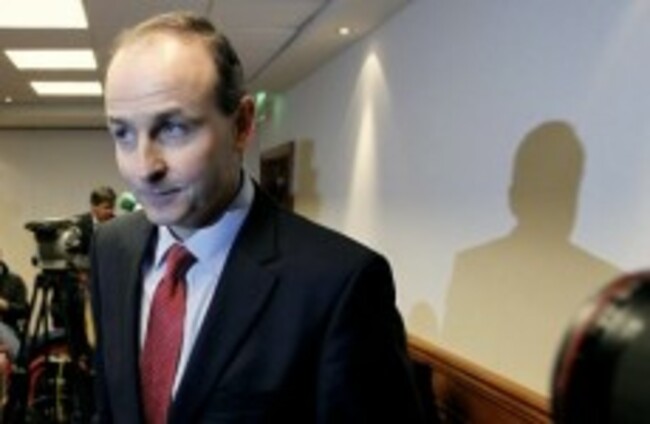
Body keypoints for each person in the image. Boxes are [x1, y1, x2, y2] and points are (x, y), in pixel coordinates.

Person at [92, 11, 424, 423]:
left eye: (174, 128)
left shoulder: (339, 283)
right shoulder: (110, 248)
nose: (144, 167)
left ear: (242, 125)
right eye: (123, 133)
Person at [77, 186, 117, 256]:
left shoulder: (117, 224)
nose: (110, 211)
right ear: (94, 207)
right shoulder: (80, 225)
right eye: (106, 208)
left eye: (112, 207)